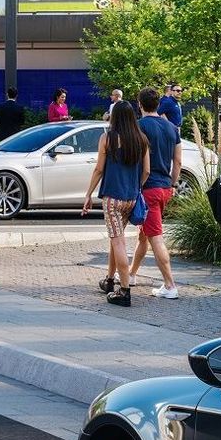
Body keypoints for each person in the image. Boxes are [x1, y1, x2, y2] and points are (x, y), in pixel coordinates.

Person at [85, 100, 149, 307]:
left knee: (118, 241)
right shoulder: (141, 139)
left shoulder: (107, 138)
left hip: (112, 198)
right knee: (117, 238)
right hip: (131, 198)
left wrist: (88, 194)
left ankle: (125, 291)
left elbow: (99, 169)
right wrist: (135, 186)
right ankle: (110, 280)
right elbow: (147, 171)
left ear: (114, 117)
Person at [130, 89, 181, 299]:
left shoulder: (139, 127)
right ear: (158, 104)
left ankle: (170, 285)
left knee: (155, 237)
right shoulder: (171, 127)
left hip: (148, 188)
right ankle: (131, 274)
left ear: (139, 104)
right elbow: (177, 162)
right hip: (164, 188)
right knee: (144, 235)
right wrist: (172, 183)